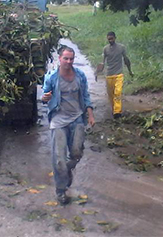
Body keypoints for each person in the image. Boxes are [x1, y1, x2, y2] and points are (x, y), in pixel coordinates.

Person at [42, 46, 95, 205]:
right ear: (59, 58)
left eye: (71, 59)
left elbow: (85, 96)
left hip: (77, 118)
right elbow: (45, 97)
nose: (69, 61)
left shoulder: (80, 76)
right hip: (58, 120)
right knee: (59, 159)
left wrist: (90, 115)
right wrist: (46, 97)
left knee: (77, 152)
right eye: (65, 58)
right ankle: (61, 190)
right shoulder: (52, 77)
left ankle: (68, 169)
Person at [97, 31, 133, 119]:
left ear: (115, 38)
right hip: (109, 75)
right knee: (111, 95)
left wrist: (130, 71)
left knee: (117, 92)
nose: (110, 40)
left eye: (111, 39)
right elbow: (102, 62)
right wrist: (97, 72)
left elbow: (126, 60)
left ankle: (117, 112)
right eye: (109, 39)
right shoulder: (105, 49)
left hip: (119, 74)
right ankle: (114, 110)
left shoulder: (121, 47)